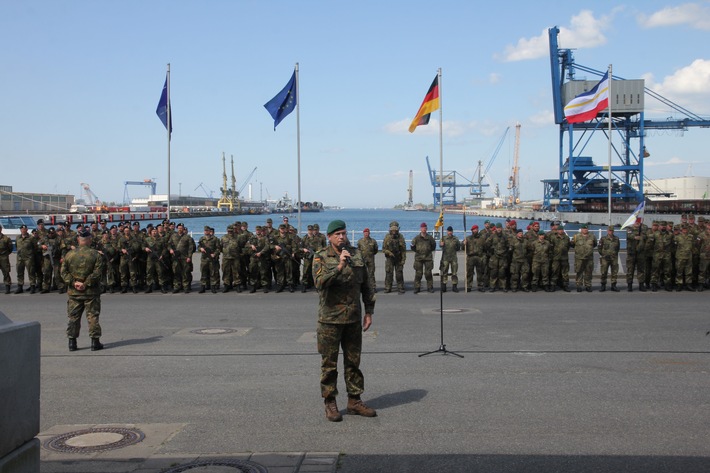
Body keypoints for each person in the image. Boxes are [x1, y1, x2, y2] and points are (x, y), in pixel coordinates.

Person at [313, 219, 376, 422]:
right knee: (329, 365)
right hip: (330, 320)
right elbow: (319, 283)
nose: (342, 237)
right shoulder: (320, 257)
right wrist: (339, 265)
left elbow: (366, 284)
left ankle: (354, 401)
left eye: (344, 233)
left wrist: (369, 311)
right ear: (329, 236)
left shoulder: (356, 254)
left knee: (353, 362)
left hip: (353, 319)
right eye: (337, 234)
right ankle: (330, 402)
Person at [60, 229, 105, 351]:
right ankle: (95, 342)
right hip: (91, 292)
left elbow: (63, 272)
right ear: (89, 240)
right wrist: (85, 284)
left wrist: (74, 283)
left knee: (73, 317)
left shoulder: (69, 254)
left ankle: (72, 342)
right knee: (92, 316)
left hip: (74, 292)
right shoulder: (96, 255)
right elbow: (97, 273)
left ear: (79, 240)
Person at [411, 222, 436, 293]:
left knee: (428, 273)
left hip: (428, 258)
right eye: (422, 228)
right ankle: (417, 287)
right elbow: (412, 247)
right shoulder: (416, 238)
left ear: (426, 229)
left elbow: (433, 246)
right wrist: (418, 251)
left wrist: (428, 251)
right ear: (420, 229)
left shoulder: (430, 238)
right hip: (419, 258)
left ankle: (430, 287)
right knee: (418, 274)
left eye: (425, 228)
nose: (423, 229)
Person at [571, 224, 597, 292]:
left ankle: (588, 285)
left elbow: (595, 244)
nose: (585, 230)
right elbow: (573, 245)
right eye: (584, 229)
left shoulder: (592, 236)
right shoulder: (576, 236)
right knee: (579, 272)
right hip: (579, 258)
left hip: (589, 258)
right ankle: (579, 285)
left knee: (588, 272)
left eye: (586, 229)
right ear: (581, 229)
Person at [382, 221, 406, 294]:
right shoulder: (387, 237)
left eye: (395, 230)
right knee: (389, 273)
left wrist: (403, 259)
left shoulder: (400, 237)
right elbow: (383, 249)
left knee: (399, 274)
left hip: (398, 258)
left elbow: (403, 250)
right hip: (390, 258)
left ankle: (400, 287)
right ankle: (388, 287)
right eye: (392, 230)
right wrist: (389, 253)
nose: (394, 231)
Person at [15, 224, 37, 294]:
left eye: (24, 229)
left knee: (31, 272)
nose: (23, 230)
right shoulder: (18, 237)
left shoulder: (31, 238)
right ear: (20, 230)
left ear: (27, 230)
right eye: (22, 229)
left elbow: (35, 247)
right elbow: (16, 246)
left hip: (28, 258)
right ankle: (20, 286)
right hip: (20, 258)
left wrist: (31, 255)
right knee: (19, 272)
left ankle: (32, 286)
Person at [598, 226, 621, 292]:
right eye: (609, 231)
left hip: (614, 258)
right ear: (607, 231)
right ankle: (603, 285)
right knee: (604, 272)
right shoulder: (603, 239)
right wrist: (603, 254)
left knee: (614, 272)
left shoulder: (616, 239)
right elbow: (599, 248)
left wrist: (614, 254)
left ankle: (613, 285)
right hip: (605, 258)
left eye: (612, 231)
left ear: (613, 231)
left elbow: (618, 248)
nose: (611, 232)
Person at [464, 225, 486, 292]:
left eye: (476, 229)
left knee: (480, 273)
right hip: (471, 257)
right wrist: (463, 243)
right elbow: (462, 248)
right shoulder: (468, 238)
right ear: (472, 230)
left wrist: (483, 257)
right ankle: (468, 286)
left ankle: (480, 286)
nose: (475, 231)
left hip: (479, 257)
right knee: (469, 273)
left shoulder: (481, 239)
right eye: (474, 229)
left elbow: (485, 248)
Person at [357, 228, 379, 293]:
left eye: (367, 232)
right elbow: (358, 250)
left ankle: (373, 287)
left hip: (371, 260)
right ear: (363, 233)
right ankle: (362, 287)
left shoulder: (373, 241)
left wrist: (371, 254)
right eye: (365, 232)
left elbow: (376, 250)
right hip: (362, 259)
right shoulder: (360, 241)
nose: (366, 234)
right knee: (362, 273)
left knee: (371, 274)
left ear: (369, 233)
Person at [439, 226, 460, 292]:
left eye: (451, 231)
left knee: (454, 273)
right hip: (445, 258)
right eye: (448, 231)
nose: (450, 232)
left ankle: (454, 286)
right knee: (445, 272)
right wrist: (441, 244)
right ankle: (444, 286)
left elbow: (458, 248)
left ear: (452, 232)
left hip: (453, 258)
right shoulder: (443, 238)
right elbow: (440, 245)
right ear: (447, 231)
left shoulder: (455, 239)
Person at [0, 224, 13, 294]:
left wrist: (5, 254)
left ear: (1, 229)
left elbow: (10, 248)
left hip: (3, 258)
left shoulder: (6, 238)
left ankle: (7, 286)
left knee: (6, 272)